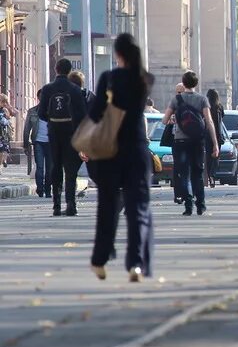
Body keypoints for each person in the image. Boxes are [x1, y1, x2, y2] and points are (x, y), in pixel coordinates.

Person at [88, 33, 154, 283]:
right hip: (136, 150)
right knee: (137, 208)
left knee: (107, 206)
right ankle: (135, 264)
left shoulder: (108, 78)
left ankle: (99, 260)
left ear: (117, 54)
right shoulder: (144, 79)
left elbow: (95, 113)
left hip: (109, 151)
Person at [163, 71, 219, 216]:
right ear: (196, 83)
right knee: (198, 173)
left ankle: (188, 205)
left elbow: (164, 120)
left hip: (180, 141)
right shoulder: (202, 99)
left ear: (184, 82)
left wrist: (175, 118)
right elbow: (209, 121)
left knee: (184, 173)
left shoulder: (176, 100)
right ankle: (200, 205)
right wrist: (215, 143)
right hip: (197, 141)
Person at [39, 58, 85, 215]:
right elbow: (82, 115)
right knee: (70, 170)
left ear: (56, 69)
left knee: (55, 167)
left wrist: (52, 122)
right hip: (71, 134)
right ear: (69, 70)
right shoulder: (75, 90)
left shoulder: (47, 89)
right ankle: (71, 204)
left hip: (54, 133)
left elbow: (41, 113)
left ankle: (56, 205)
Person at [23, 90, 51, 198]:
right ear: (38, 98)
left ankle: (48, 190)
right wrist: (26, 144)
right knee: (40, 167)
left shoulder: (53, 111)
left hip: (51, 143)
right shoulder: (32, 111)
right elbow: (27, 129)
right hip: (38, 142)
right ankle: (40, 190)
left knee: (50, 168)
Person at [205, 89, 226, 189]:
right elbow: (222, 118)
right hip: (217, 134)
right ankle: (213, 174)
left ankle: (209, 175)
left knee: (208, 156)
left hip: (207, 134)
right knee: (216, 156)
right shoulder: (219, 107)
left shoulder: (206, 107)